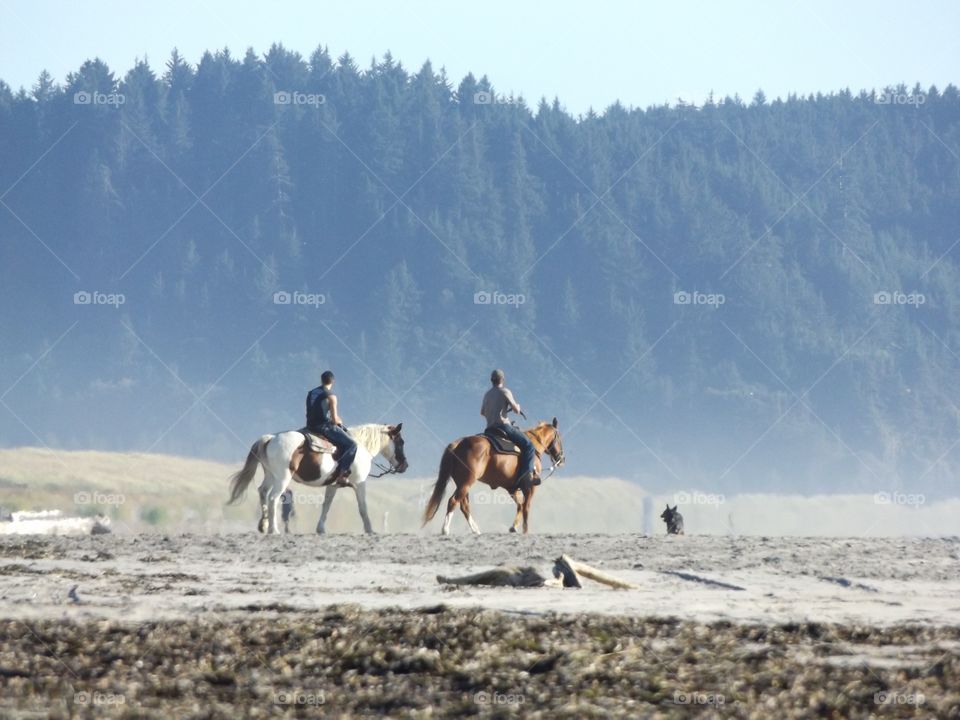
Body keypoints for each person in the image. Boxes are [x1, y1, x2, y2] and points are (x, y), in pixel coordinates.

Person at [481, 369, 539, 492]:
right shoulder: (505, 391)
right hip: (503, 427)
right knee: (529, 446)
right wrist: (517, 406)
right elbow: (516, 410)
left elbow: (482, 412)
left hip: (489, 429)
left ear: (491, 380)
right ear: (502, 380)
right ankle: (527, 476)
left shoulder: (487, 395)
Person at [305, 370, 357, 486]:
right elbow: (334, 419)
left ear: (321, 380)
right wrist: (339, 421)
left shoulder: (311, 393)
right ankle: (342, 476)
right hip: (323, 426)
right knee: (352, 444)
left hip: (310, 425)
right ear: (333, 381)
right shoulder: (331, 396)